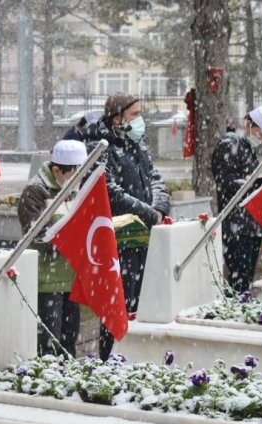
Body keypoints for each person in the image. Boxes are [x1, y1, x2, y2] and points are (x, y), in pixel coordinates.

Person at [85, 92, 170, 360]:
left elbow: (156, 180)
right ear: (117, 118)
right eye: (134, 115)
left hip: (144, 240)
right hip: (117, 241)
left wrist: (158, 209)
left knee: (139, 304)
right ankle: (110, 359)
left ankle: (132, 356)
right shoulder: (99, 148)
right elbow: (110, 192)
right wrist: (148, 213)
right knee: (116, 306)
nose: (140, 120)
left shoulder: (138, 145)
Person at [18, 140, 86, 357]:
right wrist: (71, 237)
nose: (78, 181)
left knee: (69, 341)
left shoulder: (73, 188)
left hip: (71, 279)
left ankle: (69, 380)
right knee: (48, 343)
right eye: (74, 174)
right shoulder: (35, 192)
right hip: (47, 282)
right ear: (56, 170)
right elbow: (35, 237)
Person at [211, 105, 262, 294]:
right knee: (238, 275)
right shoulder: (229, 144)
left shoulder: (247, 148)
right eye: (260, 133)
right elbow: (227, 181)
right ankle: (235, 306)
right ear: (248, 124)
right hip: (237, 222)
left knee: (247, 274)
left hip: (251, 222)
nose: (261, 138)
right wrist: (254, 183)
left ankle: (242, 302)